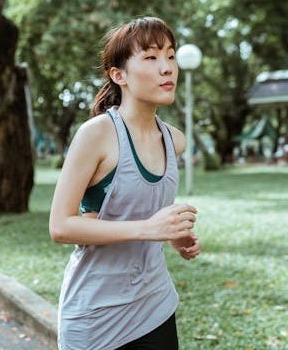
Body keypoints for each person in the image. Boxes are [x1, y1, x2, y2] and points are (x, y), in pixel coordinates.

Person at [48, 17, 201, 350]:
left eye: (171, 56)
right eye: (151, 57)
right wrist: (148, 228)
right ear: (119, 76)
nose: (167, 68)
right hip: (95, 317)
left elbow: (138, 210)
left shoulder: (175, 140)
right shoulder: (97, 134)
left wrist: (172, 233)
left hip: (155, 306)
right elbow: (60, 226)